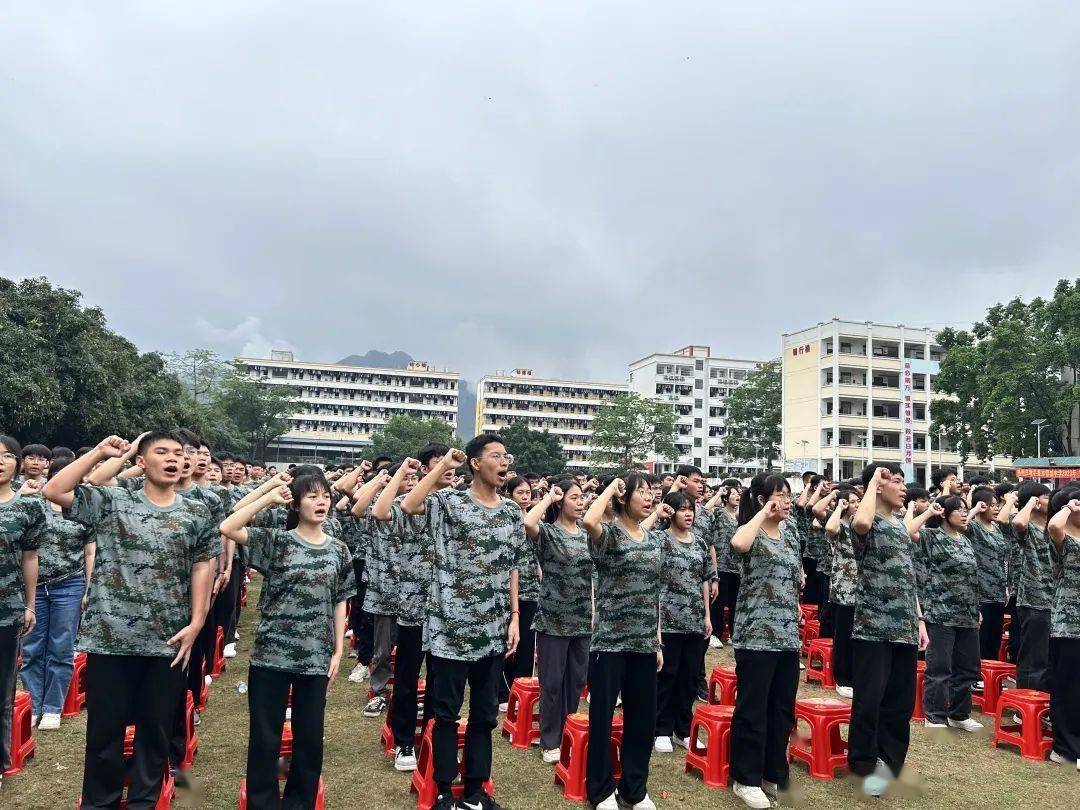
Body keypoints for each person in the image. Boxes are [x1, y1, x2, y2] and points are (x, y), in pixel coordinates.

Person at [43, 433, 218, 809]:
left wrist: (198, 620)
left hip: (168, 641)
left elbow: (203, 565)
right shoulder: (112, 501)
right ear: (142, 460)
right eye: (162, 452)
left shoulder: (196, 512)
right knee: (105, 734)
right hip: (111, 637)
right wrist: (100, 454)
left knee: (155, 734)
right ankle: (99, 803)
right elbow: (55, 490)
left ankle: (144, 801)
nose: (173, 459)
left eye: (178, 453)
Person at [401, 436, 524, 810]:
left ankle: (474, 790)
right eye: (496, 456)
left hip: (492, 630)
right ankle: (441, 789)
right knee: (446, 713)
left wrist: (515, 615)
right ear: (475, 463)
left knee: (485, 716)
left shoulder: (511, 513)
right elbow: (409, 504)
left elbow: (512, 567)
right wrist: (442, 466)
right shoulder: (448, 502)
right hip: (449, 630)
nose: (504, 462)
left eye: (507, 456)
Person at [220, 469, 354, 809]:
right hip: (271, 655)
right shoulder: (277, 541)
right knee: (266, 736)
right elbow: (229, 527)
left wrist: (338, 649)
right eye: (311, 496)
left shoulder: (339, 549)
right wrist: (268, 496)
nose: (321, 501)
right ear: (296, 504)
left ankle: (300, 801)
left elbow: (340, 599)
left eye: (324, 495)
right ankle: (263, 801)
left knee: (310, 739)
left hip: (315, 655)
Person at [847, 462, 927, 798]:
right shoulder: (868, 521)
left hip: (904, 626)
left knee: (900, 700)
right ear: (878, 486)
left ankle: (890, 760)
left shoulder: (898, 525)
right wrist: (873, 482)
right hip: (873, 626)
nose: (903, 487)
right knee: (870, 700)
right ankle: (865, 764)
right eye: (895, 481)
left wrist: (920, 620)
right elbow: (862, 521)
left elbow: (907, 577)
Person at [582, 474, 662, 810]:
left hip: (644, 643)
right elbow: (588, 519)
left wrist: (657, 639)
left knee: (642, 721)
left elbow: (656, 592)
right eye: (640, 492)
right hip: (610, 643)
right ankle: (601, 790)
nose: (648, 497)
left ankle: (635, 789)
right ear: (624, 497)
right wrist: (610, 486)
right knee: (602, 719)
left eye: (650, 492)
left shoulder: (654, 539)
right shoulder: (610, 534)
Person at [727, 474, 801, 810]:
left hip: (787, 635)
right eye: (780, 495)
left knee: (782, 709)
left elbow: (792, 577)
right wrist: (762, 514)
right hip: (756, 634)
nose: (787, 501)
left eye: (789, 495)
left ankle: (774, 771)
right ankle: (745, 777)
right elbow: (738, 544)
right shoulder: (752, 530)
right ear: (762, 500)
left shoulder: (791, 533)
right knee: (753, 709)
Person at [372, 446, 447, 772]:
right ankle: (405, 740)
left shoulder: (453, 505)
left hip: (445, 609)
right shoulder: (410, 507)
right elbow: (378, 511)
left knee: (441, 679)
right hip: (414, 607)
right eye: (440, 465)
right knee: (406, 677)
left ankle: (431, 734)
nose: (448, 470)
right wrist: (402, 472)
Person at [19, 457, 93, 730]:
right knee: (32, 648)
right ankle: (34, 705)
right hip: (34, 586)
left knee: (61, 647)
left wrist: (88, 587)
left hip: (69, 584)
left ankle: (52, 707)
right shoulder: (34, 503)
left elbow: (90, 551)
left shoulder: (82, 510)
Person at [524, 478, 593, 764]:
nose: (580, 503)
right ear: (562, 501)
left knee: (576, 681)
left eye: (582, 498)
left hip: (582, 620)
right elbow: (528, 523)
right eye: (574, 498)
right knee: (551, 682)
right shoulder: (549, 533)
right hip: (553, 619)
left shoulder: (588, 535)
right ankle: (550, 739)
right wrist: (548, 498)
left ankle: (567, 731)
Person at [909, 496, 983, 731]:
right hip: (940, 612)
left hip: (967, 614)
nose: (964, 514)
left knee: (968, 668)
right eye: (959, 510)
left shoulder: (965, 539)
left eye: (966, 510)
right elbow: (908, 530)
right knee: (940, 668)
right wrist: (929, 511)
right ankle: (935, 716)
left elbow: (970, 578)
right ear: (945, 514)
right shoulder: (932, 537)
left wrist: (976, 608)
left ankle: (959, 714)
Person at [653, 491, 711, 755]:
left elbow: (704, 580)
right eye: (682, 509)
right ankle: (662, 729)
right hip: (668, 620)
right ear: (671, 512)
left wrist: (707, 616)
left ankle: (683, 730)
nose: (688, 514)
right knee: (667, 676)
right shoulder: (661, 540)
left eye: (691, 509)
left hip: (695, 620)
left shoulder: (699, 543)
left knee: (689, 678)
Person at [0, 435, 43, 786]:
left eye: (7, 456)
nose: (0, 461)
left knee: (2, 691)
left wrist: (29, 605)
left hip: (6, 609)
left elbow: (30, 557)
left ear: (17, 462)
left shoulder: (28, 507)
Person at [362, 460, 418, 718]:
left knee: (413, 651)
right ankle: (379, 692)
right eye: (406, 479)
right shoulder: (382, 509)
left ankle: (410, 692)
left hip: (415, 594)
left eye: (415, 480)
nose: (411, 484)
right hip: (385, 590)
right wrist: (387, 480)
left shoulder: (422, 512)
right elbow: (357, 507)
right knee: (383, 649)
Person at [499, 476, 540, 712]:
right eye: (520, 493)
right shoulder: (505, 517)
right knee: (506, 642)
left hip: (531, 590)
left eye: (528, 493)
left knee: (526, 644)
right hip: (507, 588)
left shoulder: (535, 519)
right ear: (509, 494)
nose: (525, 498)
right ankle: (502, 691)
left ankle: (521, 691)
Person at [815, 486, 860, 698]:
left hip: (864, 590)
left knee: (859, 637)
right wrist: (836, 499)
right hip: (844, 589)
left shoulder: (861, 527)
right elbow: (826, 523)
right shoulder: (839, 525)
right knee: (844, 636)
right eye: (852, 502)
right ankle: (842, 678)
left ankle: (856, 675)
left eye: (857, 501)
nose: (856, 505)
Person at [1046, 487, 1080, 767]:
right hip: (1068, 624)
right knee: (1068, 688)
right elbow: (1055, 523)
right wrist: (1070, 506)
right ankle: (1065, 748)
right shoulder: (1062, 536)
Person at [1010, 481, 1052, 692]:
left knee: (1049, 656)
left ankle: (1043, 698)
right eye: (1045, 497)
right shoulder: (1028, 529)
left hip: (1054, 601)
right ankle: (1026, 698)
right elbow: (1017, 523)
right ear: (1035, 502)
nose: (1050, 500)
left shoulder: (1052, 528)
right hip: (1034, 600)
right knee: (1034, 657)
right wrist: (1028, 504)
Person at [967, 486, 1009, 660]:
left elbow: (1001, 559)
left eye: (996, 505)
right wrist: (975, 509)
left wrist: (1005, 586)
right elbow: (961, 525)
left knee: (994, 640)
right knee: (980, 640)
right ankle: (976, 677)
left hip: (997, 593)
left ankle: (989, 678)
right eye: (992, 505)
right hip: (980, 593)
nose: (996, 509)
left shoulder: (996, 529)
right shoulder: (974, 527)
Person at [710, 481, 742, 649]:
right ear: (725, 498)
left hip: (736, 565)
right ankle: (715, 634)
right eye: (734, 494)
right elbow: (705, 511)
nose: (737, 496)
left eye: (739, 494)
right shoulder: (719, 513)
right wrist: (718, 493)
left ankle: (732, 634)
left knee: (735, 601)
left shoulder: (739, 517)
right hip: (721, 563)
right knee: (719, 601)